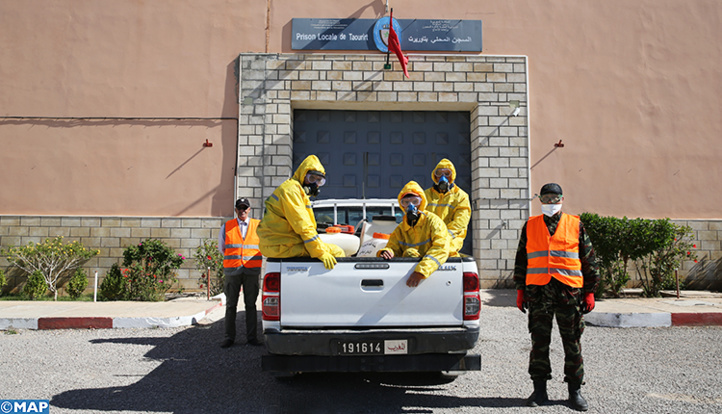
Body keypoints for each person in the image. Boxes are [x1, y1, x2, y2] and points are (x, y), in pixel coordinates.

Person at [513, 183, 600, 411]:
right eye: (546, 198)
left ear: (562, 199)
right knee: (539, 344)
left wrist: (590, 292)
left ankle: (575, 391)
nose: (551, 202)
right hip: (539, 294)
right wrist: (521, 291)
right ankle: (539, 390)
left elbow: (588, 259)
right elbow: (521, 258)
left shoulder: (575, 224)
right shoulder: (530, 225)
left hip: (568, 294)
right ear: (540, 200)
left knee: (572, 344)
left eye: (555, 198)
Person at [257, 154, 344, 269]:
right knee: (337, 252)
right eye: (311, 178)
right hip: (281, 246)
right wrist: (320, 253)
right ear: (303, 175)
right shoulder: (291, 191)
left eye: (319, 181)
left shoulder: (297, 191)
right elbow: (303, 226)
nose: (314, 184)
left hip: (281, 243)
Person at [377, 181, 451, 287]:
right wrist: (386, 252)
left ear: (422, 202)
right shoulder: (401, 229)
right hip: (406, 278)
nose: (411, 206)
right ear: (402, 205)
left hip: (429, 276)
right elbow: (392, 247)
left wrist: (421, 272)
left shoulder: (433, 222)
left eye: (415, 201)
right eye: (406, 202)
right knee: (409, 252)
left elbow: (441, 248)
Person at [218, 198, 263, 348]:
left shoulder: (258, 226)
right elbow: (222, 248)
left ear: (249, 210)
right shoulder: (227, 226)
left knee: (251, 306)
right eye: (240, 208)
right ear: (236, 210)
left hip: (251, 271)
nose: (242, 210)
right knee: (231, 305)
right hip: (233, 271)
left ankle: (252, 338)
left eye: (245, 208)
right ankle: (229, 337)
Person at [424, 158, 471, 256]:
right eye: (439, 173)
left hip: (451, 240)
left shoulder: (461, 196)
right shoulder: (425, 195)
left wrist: (442, 237)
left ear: (452, 176)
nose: (443, 177)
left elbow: (459, 224)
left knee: (446, 252)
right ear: (434, 176)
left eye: (447, 174)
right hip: (428, 240)